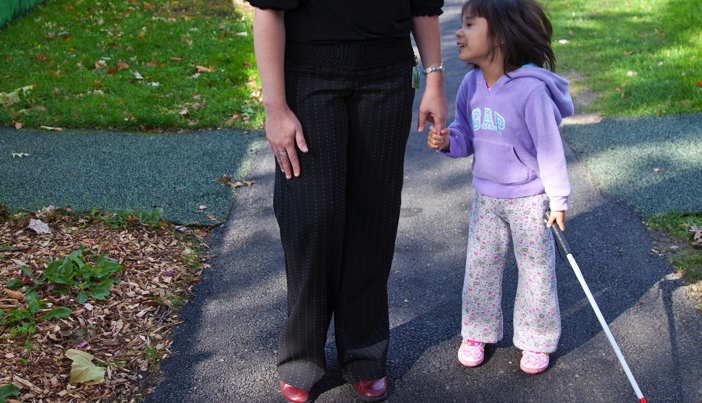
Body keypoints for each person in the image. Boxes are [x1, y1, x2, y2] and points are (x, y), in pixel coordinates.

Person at [246, 0, 447, 401]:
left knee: (375, 213)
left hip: (387, 74)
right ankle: (302, 354)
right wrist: (275, 107)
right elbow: (268, 10)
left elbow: (423, 5)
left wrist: (435, 82)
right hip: (306, 76)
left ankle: (364, 352)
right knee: (313, 216)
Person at [427, 0, 574, 375]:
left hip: (530, 198)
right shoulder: (472, 85)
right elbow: (466, 135)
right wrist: (448, 142)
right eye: (461, 25)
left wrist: (558, 200)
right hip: (486, 197)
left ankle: (537, 339)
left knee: (536, 272)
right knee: (481, 267)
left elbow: (550, 150)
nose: (458, 32)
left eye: (470, 25)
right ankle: (477, 332)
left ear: (501, 35)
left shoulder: (530, 92)